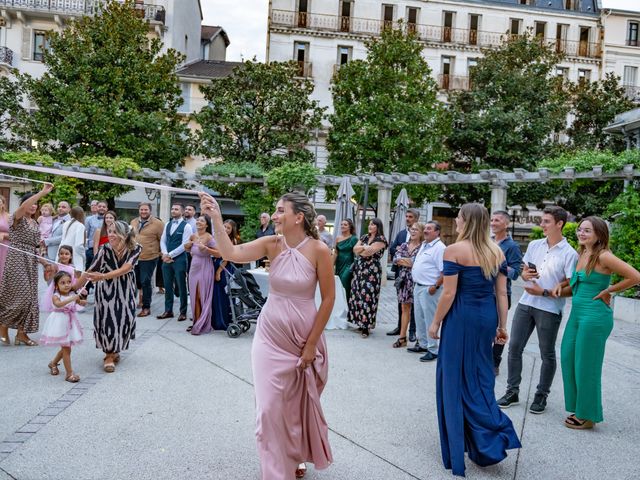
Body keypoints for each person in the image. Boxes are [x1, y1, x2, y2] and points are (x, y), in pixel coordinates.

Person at [199, 191, 335, 480]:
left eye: (280, 210)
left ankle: (295, 455)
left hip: (303, 337)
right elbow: (231, 254)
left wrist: (311, 344)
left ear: (298, 216)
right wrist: (217, 219)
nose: (274, 215)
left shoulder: (319, 250)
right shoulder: (271, 244)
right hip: (271, 335)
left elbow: (328, 299)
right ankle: (275, 472)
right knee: (270, 407)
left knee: (296, 403)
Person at [428, 203, 521, 477]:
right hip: (487, 317)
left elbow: (448, 294)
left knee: (455, 377)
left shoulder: (454, 250)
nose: (455, 221)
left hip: (462, 317)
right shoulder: (496, 251)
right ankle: (485, 434)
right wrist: (502, 326)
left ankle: (481, 434)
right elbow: (502, 294)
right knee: (479, 375)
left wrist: (435, 323)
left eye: (458, 217)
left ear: (466, 221)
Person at [555, 217, 640, 429]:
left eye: (587, 231)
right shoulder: (583, 253)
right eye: (580, 230)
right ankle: (580, 407)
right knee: (568, 357)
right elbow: (577, 280)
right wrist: (560, 285)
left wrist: (610, 290)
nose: (581, 234)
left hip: (594, 317)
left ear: (599, 234)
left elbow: (635, 276)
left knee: (587, 366)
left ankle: (588, 416)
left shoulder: (604, 256)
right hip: (576, 314)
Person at [497, 206, 579, 414]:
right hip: (526, 304)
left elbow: (572, 288)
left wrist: (544, 292)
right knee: (514, 347)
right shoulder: (534, 244)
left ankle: (541, 396)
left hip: (549, 308)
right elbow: (525, 271)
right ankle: (512, 391)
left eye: (546, 221)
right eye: (542, 221)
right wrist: (525, 275)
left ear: (559, 224)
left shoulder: (570, 254)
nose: (541, 225)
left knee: (547, 354)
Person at [78, 221, 141, 373]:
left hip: (126, 289)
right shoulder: (104, 249)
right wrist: (74, 287)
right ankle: (109, 356)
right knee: (107, 320)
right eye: (109, 231)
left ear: (123, 234)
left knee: (124, 319)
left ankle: (115, 349)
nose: (110, 235)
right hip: (106, 291)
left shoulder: (135, 248)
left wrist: (103, 275)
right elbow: (91, 270)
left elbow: (126, 268)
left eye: (114, 232)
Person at [0, 182, 54, 346]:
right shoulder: (16, 219)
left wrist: (45, 263)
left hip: (30, 260)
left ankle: (21, 333)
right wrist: (42, 192)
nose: (34, 205)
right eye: (31, 202)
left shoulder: (35, 223)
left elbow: (34, 248)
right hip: (16, 259)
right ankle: (3, 325)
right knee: (20, 297)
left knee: (30, 299)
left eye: (35, 203)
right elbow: (23, 207)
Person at [490, 210, 523, 376]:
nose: (493, 223)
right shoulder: (487, 242)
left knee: (498, 328)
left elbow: (516, 274)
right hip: (485, 292)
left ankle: (495, 362)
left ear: (506, 224)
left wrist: (498, 265)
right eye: (492, 220)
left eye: (497, 220)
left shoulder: (512, 246)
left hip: (502, 294)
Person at [408, 221, 446, 362]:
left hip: (430, 289)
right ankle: (423, 344)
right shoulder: (424, 245)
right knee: (419, 317)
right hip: (418, 286)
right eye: (426, 228)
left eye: (429, 229)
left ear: (437, 232)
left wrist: (435, 286)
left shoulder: (440, 248)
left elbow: (444, 271)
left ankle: (433, 349)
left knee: (430, 319)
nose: (426, 231)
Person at [40, 271, 86, 383]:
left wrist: (82, 299)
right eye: (63, 283)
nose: (67, 285)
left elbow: (81, 302)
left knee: (66, 347)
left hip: (70, 323)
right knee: (67, 348)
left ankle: (53, 363)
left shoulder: (72, 294)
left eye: (69, 282)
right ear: (56, 285)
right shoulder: (56, 296)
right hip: (59, 323)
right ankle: (69, 374)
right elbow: (58, 304)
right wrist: (72, 298)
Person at [348, 218, 388, 338]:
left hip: (371, 271)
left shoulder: (381, 239)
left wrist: (363, 249)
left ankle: (366, 327)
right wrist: (364, 248)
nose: (370, 226)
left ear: (378, 227)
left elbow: (368, 253)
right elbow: (355, 250)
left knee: (368, 297)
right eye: (370, 224)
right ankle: (359, 323)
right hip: (359, 270)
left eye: (373, 224)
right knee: (357, 295)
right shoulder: (364, 236)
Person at [387, 208, 420, 341]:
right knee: (401, 302)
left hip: (415, 275)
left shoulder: (421, 236)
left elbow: (417, 259)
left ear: (416, 219)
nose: (407, 218)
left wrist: (403, 256)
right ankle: (400, 327)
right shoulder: (401, 234)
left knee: (414, 304)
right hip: (400, 273)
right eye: (406, 216)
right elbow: (393, 249)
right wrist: (405, 258)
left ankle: (412, 331)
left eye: (410, 217)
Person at [157, 203, 192, 321]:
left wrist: (170, 255)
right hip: (166, 259)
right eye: (172, 208)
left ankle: (183, 312)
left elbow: (185, 245)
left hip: (180, 259)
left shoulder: (186, 226)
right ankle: (168, 310)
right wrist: (165, 253)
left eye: (176, 209)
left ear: (182, 212)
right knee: (167, 285)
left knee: (182, 285)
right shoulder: (167, 224)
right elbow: (163, 241)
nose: (173, 211)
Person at [391, 222, 424, 348]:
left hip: (417, 279)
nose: (413, 231)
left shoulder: (423, 247)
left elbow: (416, 263)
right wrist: (409, 262)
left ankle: (420, 338)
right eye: (412, 229)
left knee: (419, 310)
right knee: (405, 308)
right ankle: (402, 337)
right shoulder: (404, 245)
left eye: (416, 229)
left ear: (421, 232)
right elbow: (396, 259)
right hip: (404, 280)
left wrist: (407, 261)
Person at [130, 203, 164, 318]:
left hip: (149, 257)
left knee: (145, 281)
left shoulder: (158, 224)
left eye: (146, 210)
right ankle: (131, 304)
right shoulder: (134, 222)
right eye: (141, 209)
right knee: (134, 281)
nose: (143, 211)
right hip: (135, 257)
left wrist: (159, 253)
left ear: (150, 210)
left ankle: (146, 307)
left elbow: (162, 240)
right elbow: (130, 237)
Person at [185, 215, 216, 335]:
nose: (198, 222)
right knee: (193, 295)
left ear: (207, 225)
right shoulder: (193, 235)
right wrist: (187, 247)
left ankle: (201, 325)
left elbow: (219, 253)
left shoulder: (209, 237)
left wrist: (207, 249)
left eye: (201, 221)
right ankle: (196, 322)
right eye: (197, 220)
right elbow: (190, 250)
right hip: (193, 268)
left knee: (201, 294)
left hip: (205, 267)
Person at [209, 219, 239, 331]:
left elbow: (227, 258)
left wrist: (218, 272)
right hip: (214, 265)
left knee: (222, 294)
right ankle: (213, 320)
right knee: (214, 295)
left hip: (224, 269)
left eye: (228, 228)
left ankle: (222, 321)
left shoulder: (233, 240)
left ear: (232, 230)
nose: (226, 229)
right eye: (224, 227)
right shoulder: (216, 238)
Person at [333, 219, 358, 300]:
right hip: (339, 264)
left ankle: (347, 305)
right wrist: (331, 265)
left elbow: (356, 253)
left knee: (344, 283)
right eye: (341, 224)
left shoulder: (354, 239)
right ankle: (340, 306)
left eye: (345, 225)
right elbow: (336, 252)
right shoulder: (338, 238)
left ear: (350, 227)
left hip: (348, 265)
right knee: (338, 284)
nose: (342, 226)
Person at [58, 206, 86, 272]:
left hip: (64, 256)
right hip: (76, 259)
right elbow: (78, 245)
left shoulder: (66, 224)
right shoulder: (80, 226)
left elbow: (62, 241)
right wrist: (83, 255)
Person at [85, 200, 107, 271]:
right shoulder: (89, 219)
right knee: (89, 271)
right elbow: (86, 235)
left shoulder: (109, 219)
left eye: (104, 207)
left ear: (107, 209)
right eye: (100, 206)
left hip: (105, 249)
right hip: (91, 250)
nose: (101, 208)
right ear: (96, 207)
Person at [0, 195, 10, 282]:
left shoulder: (8, 217)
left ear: (3, 204)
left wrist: (4, 235)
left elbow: (15, 235)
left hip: (4, 246)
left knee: (3, 268)